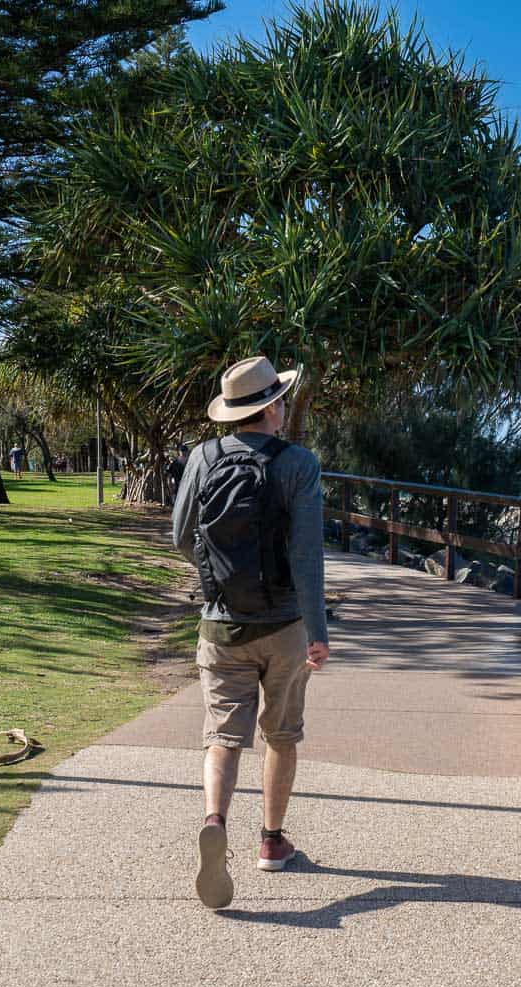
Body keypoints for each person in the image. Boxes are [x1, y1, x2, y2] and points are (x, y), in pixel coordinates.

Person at [171, 356, 329, 910]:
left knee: (222, 735)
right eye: (281, 400)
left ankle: (215, 819)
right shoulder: (298, 464)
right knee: (281, 734)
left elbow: (182, 536)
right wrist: (318, 628)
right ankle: (270, 841)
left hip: (220, 624)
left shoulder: (203, 456)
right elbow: (307, 555)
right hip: (284, 625)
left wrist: (218, 578)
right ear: (273, 407)